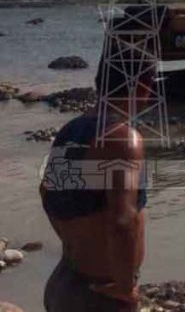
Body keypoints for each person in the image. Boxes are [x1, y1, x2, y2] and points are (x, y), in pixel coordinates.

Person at [40, 54, 149, 312]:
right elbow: (123, 221)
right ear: (143, 85)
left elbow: (46, 193)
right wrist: (123, 286)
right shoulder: (122, 139)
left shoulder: (72, 130)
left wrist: (75, 244)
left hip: (65, 283)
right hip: (100, 296)